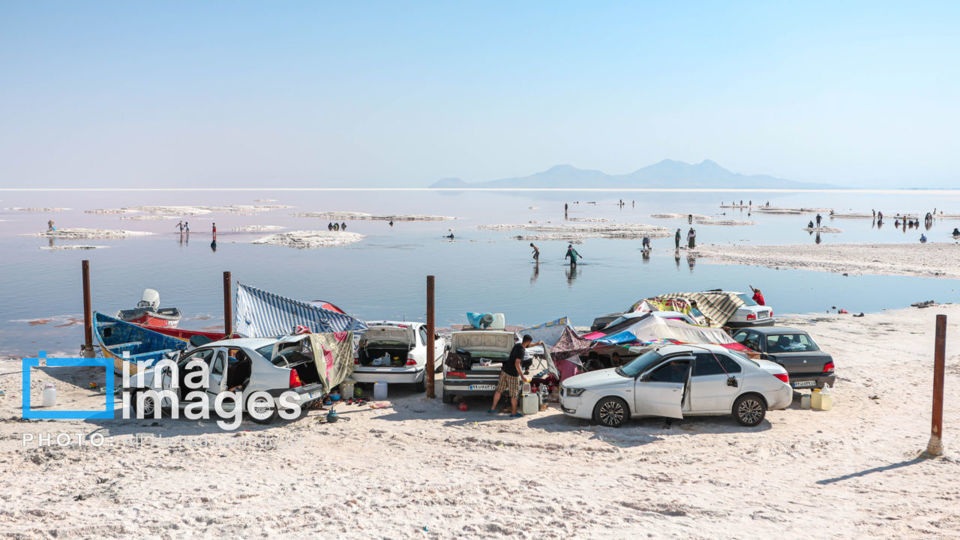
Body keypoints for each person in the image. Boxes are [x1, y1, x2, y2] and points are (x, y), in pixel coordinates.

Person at [488, 335, 542, 416]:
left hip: (504, 371)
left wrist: (537, 343)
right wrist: (522, 376)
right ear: (527, 342)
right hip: (513, 374)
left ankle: (492, 408)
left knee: (499, 390)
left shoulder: (517, 345)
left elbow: (528, 345)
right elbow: (517, 363)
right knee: (514, 395)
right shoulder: (521, 351)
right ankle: (513, 413)